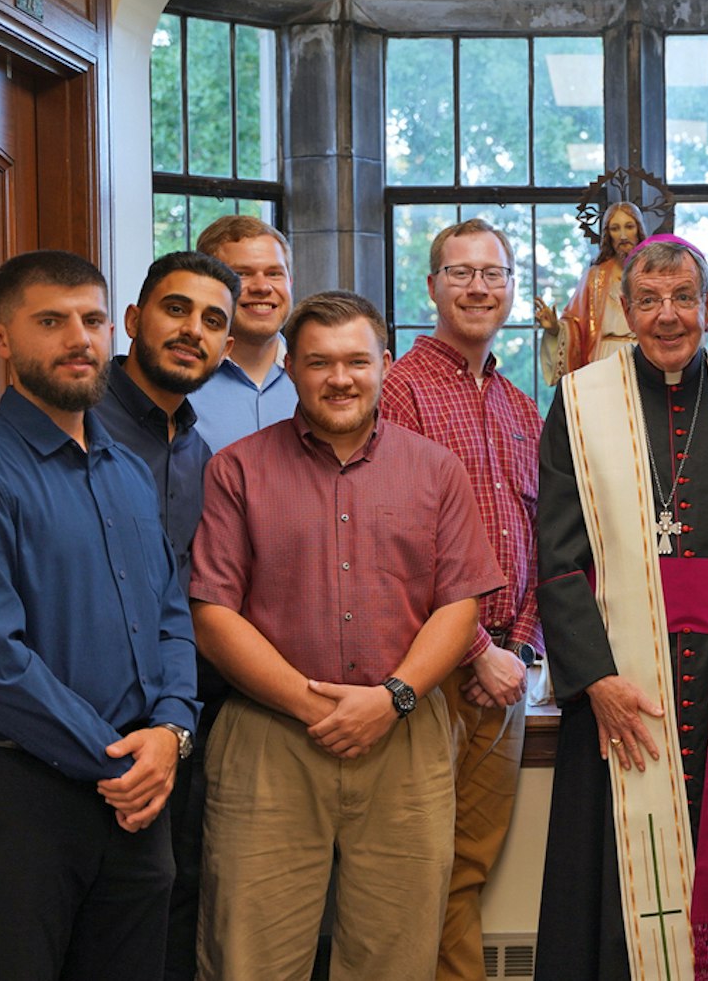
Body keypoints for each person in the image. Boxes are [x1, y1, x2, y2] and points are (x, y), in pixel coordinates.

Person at [189, 291, 504, 980]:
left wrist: (390, 697)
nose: (341, 378)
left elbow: (460, 605)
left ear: (385, 363)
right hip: (270, 738)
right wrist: (314, 706)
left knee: (396, 956)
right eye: (320, 362)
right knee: (250, 956)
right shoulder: (236, 469)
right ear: (293, 368)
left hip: (405, 733)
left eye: (357, 361)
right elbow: (212, 613)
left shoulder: (436, 470)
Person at [0, 250, 199, 980]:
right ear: (0, 338)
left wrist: (169, 732)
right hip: (15, 800)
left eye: (93, 319)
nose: (80, 338)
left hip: (136, 800)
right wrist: (121, 760)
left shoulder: (128, 472)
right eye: (51, 321)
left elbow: (171, 618)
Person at [535, 235, 708, 979]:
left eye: (683, 297)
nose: (667, 316)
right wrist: (595, 679)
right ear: (623, 312)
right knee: (619, 878)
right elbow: (558, 559)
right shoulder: (580, 401)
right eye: (649, 300)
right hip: (623, 682)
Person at [380, 219, 544, 981]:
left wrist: (517, 649)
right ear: (432, 286)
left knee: (468, 867)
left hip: (508, 672)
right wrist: (475, 650)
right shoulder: (397, 391)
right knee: (410, 867)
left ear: (512, 286)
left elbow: (546, 536)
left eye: (494, 273)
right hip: (429, 670)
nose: (479, 287)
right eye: (461, 272)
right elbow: (395, 540)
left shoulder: (520, 405)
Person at [91, 250, 238, 981]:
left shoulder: (198, 452)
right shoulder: (78, 421)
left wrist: (174, 726)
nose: (193, 331)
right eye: (176, 309)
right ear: (132, 319)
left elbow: (180, 602)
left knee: (164, 919)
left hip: (170, 725)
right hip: (77, 735)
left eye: (214, 321)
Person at [188, 215, 299, 452]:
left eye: (274, 273)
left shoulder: (319, 380)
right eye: (242, 274)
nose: (262, 287)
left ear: (289, 282)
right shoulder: (179, 385)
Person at [534, 200, 646, 385]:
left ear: (639, 230)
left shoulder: (652, 273)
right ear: (608, 234)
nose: (623, 235)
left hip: (644, 355)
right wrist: (555, 329)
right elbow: (576, 327)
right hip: (605, 358)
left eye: (629, 226)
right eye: (615, 228)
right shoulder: (595, 277)